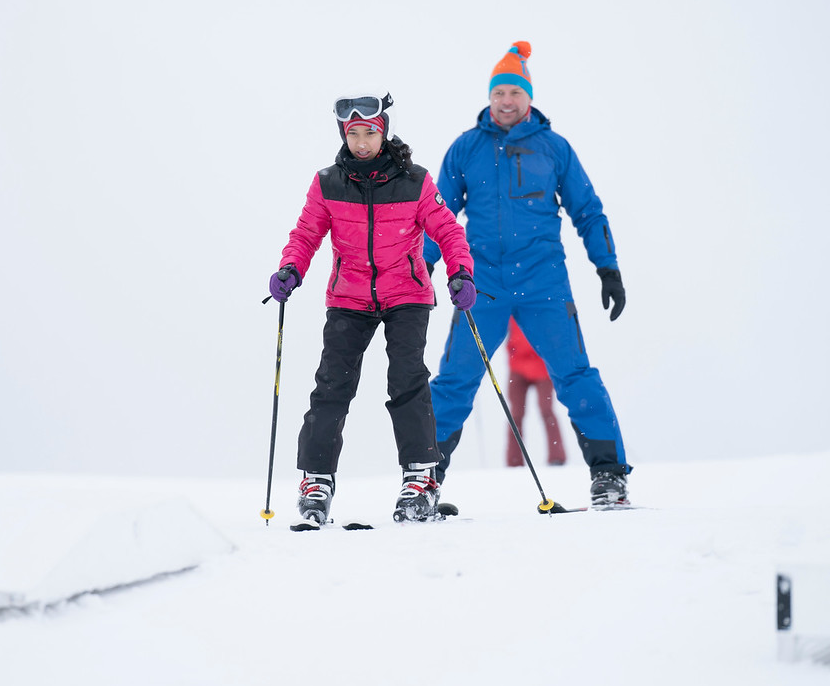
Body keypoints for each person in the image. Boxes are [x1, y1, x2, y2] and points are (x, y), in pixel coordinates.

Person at [423, 42, 632, 507]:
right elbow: (437, 214)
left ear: (529, 98)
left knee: (575, 376)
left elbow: (588, 211)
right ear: (490, 96)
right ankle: (424, 479)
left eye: (516, 92)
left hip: (544, 284)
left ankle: (609, 475)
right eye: (500, 92)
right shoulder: (466, 149)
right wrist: (424, 266)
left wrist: (608, 267)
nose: (507, 100)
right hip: (484, 288)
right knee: (455, 379)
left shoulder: (554, 149)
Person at [268, 93, 476, 526]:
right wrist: (291, 268)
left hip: (407, 294)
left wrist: (461, 273)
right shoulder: (328, 183)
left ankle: (420, 480)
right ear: (344, 135)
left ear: (384, 133)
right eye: (354, 134)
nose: (362, 143)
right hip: (350, 297)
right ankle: (316, 481)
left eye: (370, 133)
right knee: (331, 387)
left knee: (407, 381)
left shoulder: (415, 181)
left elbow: (449, 232)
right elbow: (306, 233)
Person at [504, 317, 566, 468]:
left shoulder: (539, 306)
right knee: (515, 415)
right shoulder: (511, 310)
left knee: (546, 410)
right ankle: (514, 461)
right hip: (517, 367)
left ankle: (557, 457)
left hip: (542, 368)